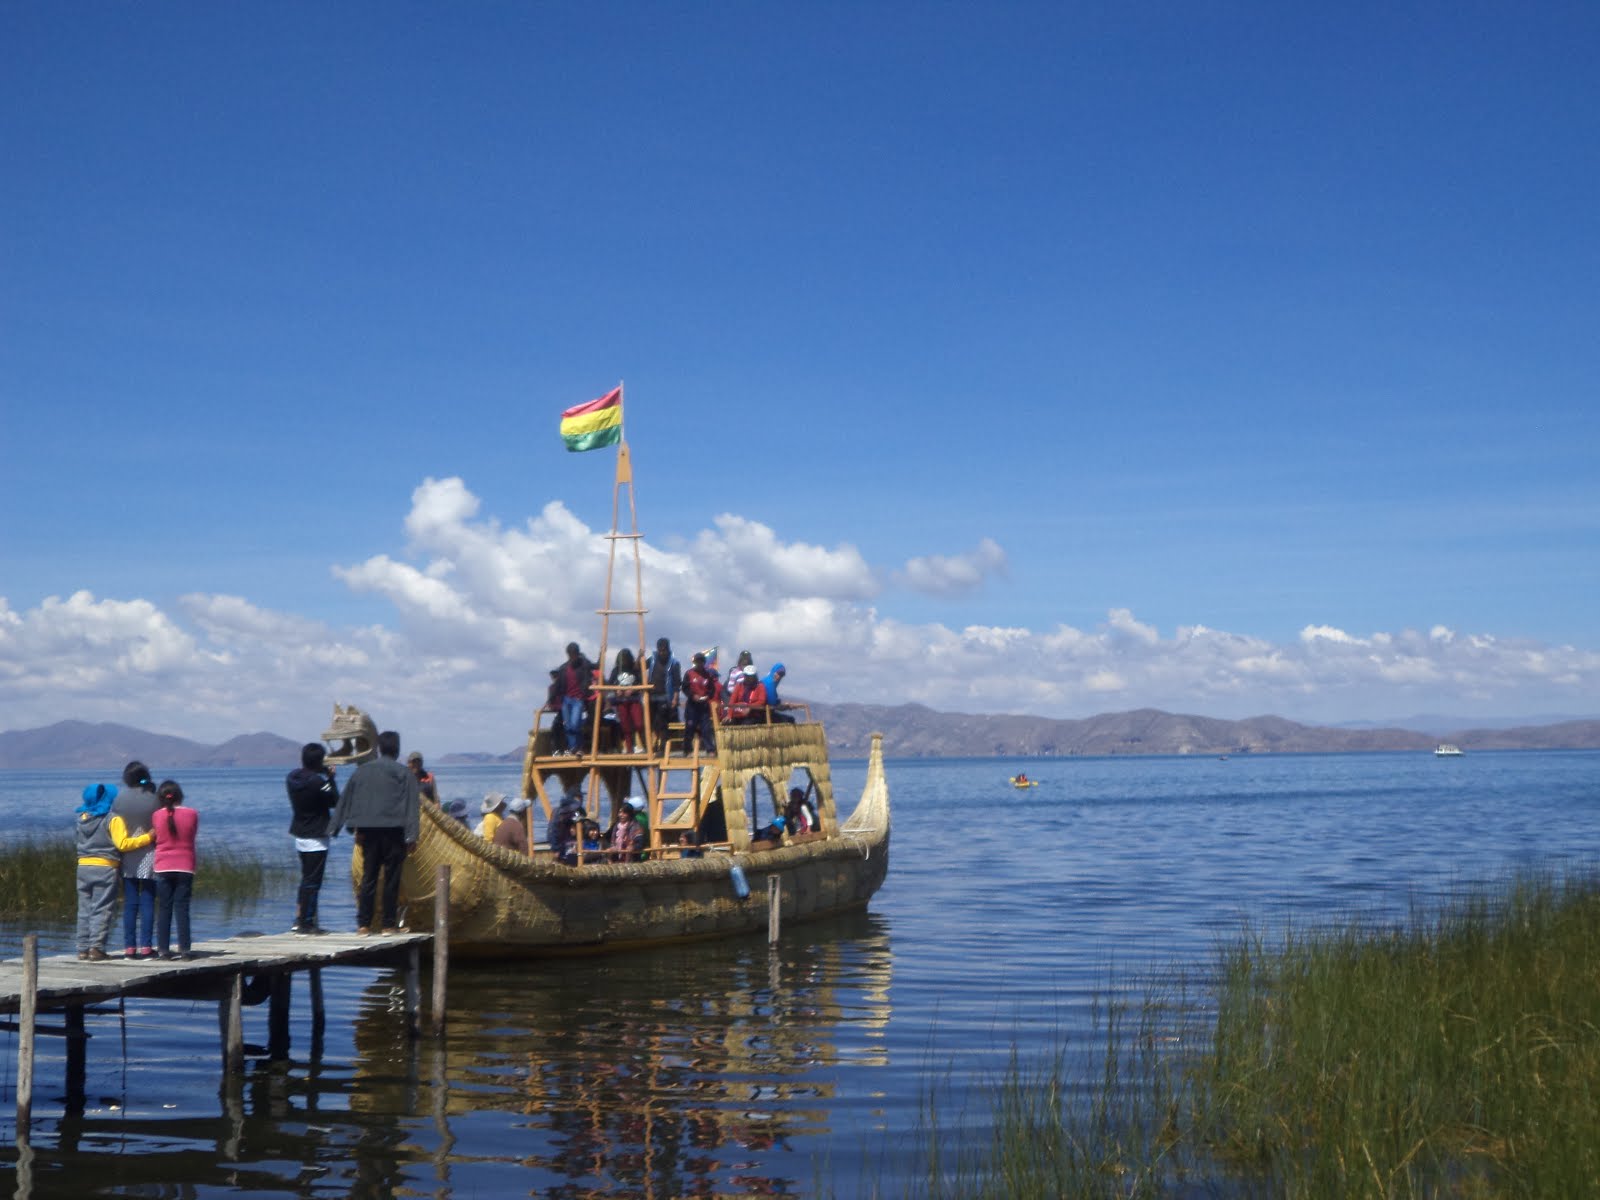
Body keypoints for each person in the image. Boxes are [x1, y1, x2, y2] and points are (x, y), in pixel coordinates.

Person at [330, 729, 421, 935]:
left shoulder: (363, 771)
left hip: (369, 833)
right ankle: (389, 925)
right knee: (391, 879)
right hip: (394, 833)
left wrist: (349, 827)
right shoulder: (404, 773)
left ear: (379, 748)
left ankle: (364, 925)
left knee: (368, 879)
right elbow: (411, 807)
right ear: (397, 750)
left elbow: (349, 800)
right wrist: (412, 835)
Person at [76, 781, 146, 962]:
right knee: (102, 908)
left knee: (84, 909)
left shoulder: (81, 818)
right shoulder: (113, 819)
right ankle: (96, 948)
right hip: (105, 868)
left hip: (83, 867)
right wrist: (147, 837)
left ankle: (82, 949)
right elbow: (122, 844)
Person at [286, 742, 339, 936]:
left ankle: (299, 919)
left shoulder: (292, 778)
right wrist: (331, 779)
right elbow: (335, 801)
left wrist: (321, 774)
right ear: (318, 762)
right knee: (313, 882)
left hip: (300, 833)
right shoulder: (318, 782)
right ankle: (307, 923)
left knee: (305, 879)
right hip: (317, 836)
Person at [109, 760, 160, 959]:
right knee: (148, 900)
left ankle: (129, 947)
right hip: (149, 853)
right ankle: (146, 947)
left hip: (127, 854)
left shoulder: (119, 800)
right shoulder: (154, 799)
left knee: (130, 902)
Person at [151, 779, 199, 961]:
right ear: (180, 796)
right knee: (182, 908)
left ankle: (163, 950)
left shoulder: (156, 815)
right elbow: (192, 835)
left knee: (164, 908)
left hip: (163, 866)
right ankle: (185, 949)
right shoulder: (192, 814)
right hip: (185, 866)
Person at [554, 642, 595, 755]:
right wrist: (552, 700)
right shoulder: (563, 668)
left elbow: (597, 666)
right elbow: (557, 686)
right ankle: (574, 748)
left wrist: (602, 653)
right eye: (571, 654)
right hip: (566, 699)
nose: (573, 656)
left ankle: (579, 747)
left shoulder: (584, 664)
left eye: (574, 654)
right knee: (567, 726)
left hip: (578, 699)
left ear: (578, 653)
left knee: (575, 723)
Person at [644, 637, 681, 752]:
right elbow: (639, 667)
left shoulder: (674, 663)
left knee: (662, 721)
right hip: (651, 696)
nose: (662, 652)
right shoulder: (652, 660)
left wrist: (675, 698)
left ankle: (663, 746)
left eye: (664, 650)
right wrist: (640, 657)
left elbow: (676, 683)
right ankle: (655, 743)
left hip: (666, 696)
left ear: (668, 649)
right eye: (660, 650)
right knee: (653, 722)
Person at [608, 647, 645, 754]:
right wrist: (617, 690)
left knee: (639, 724)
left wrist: (632, 689)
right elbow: (610, 684)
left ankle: (642, 745)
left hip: (634, 700)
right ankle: (629, 749)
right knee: (625, 726)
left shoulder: (635, 669)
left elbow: (642, 682)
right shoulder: (616, 670)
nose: (624, 660)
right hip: (621, 701)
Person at [681, 650, 718, 755]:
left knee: (706, 728)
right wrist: (693, 696)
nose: (699, 664)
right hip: (692, 706)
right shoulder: (689, 673)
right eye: (697, 662)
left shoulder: (708, 675)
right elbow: (684, 687)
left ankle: (710, 749)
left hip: (703, 706)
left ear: (704, 663)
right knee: (690, 727)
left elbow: (712, 689)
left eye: (701, 662)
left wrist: (707, 696)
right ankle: (687, 750)